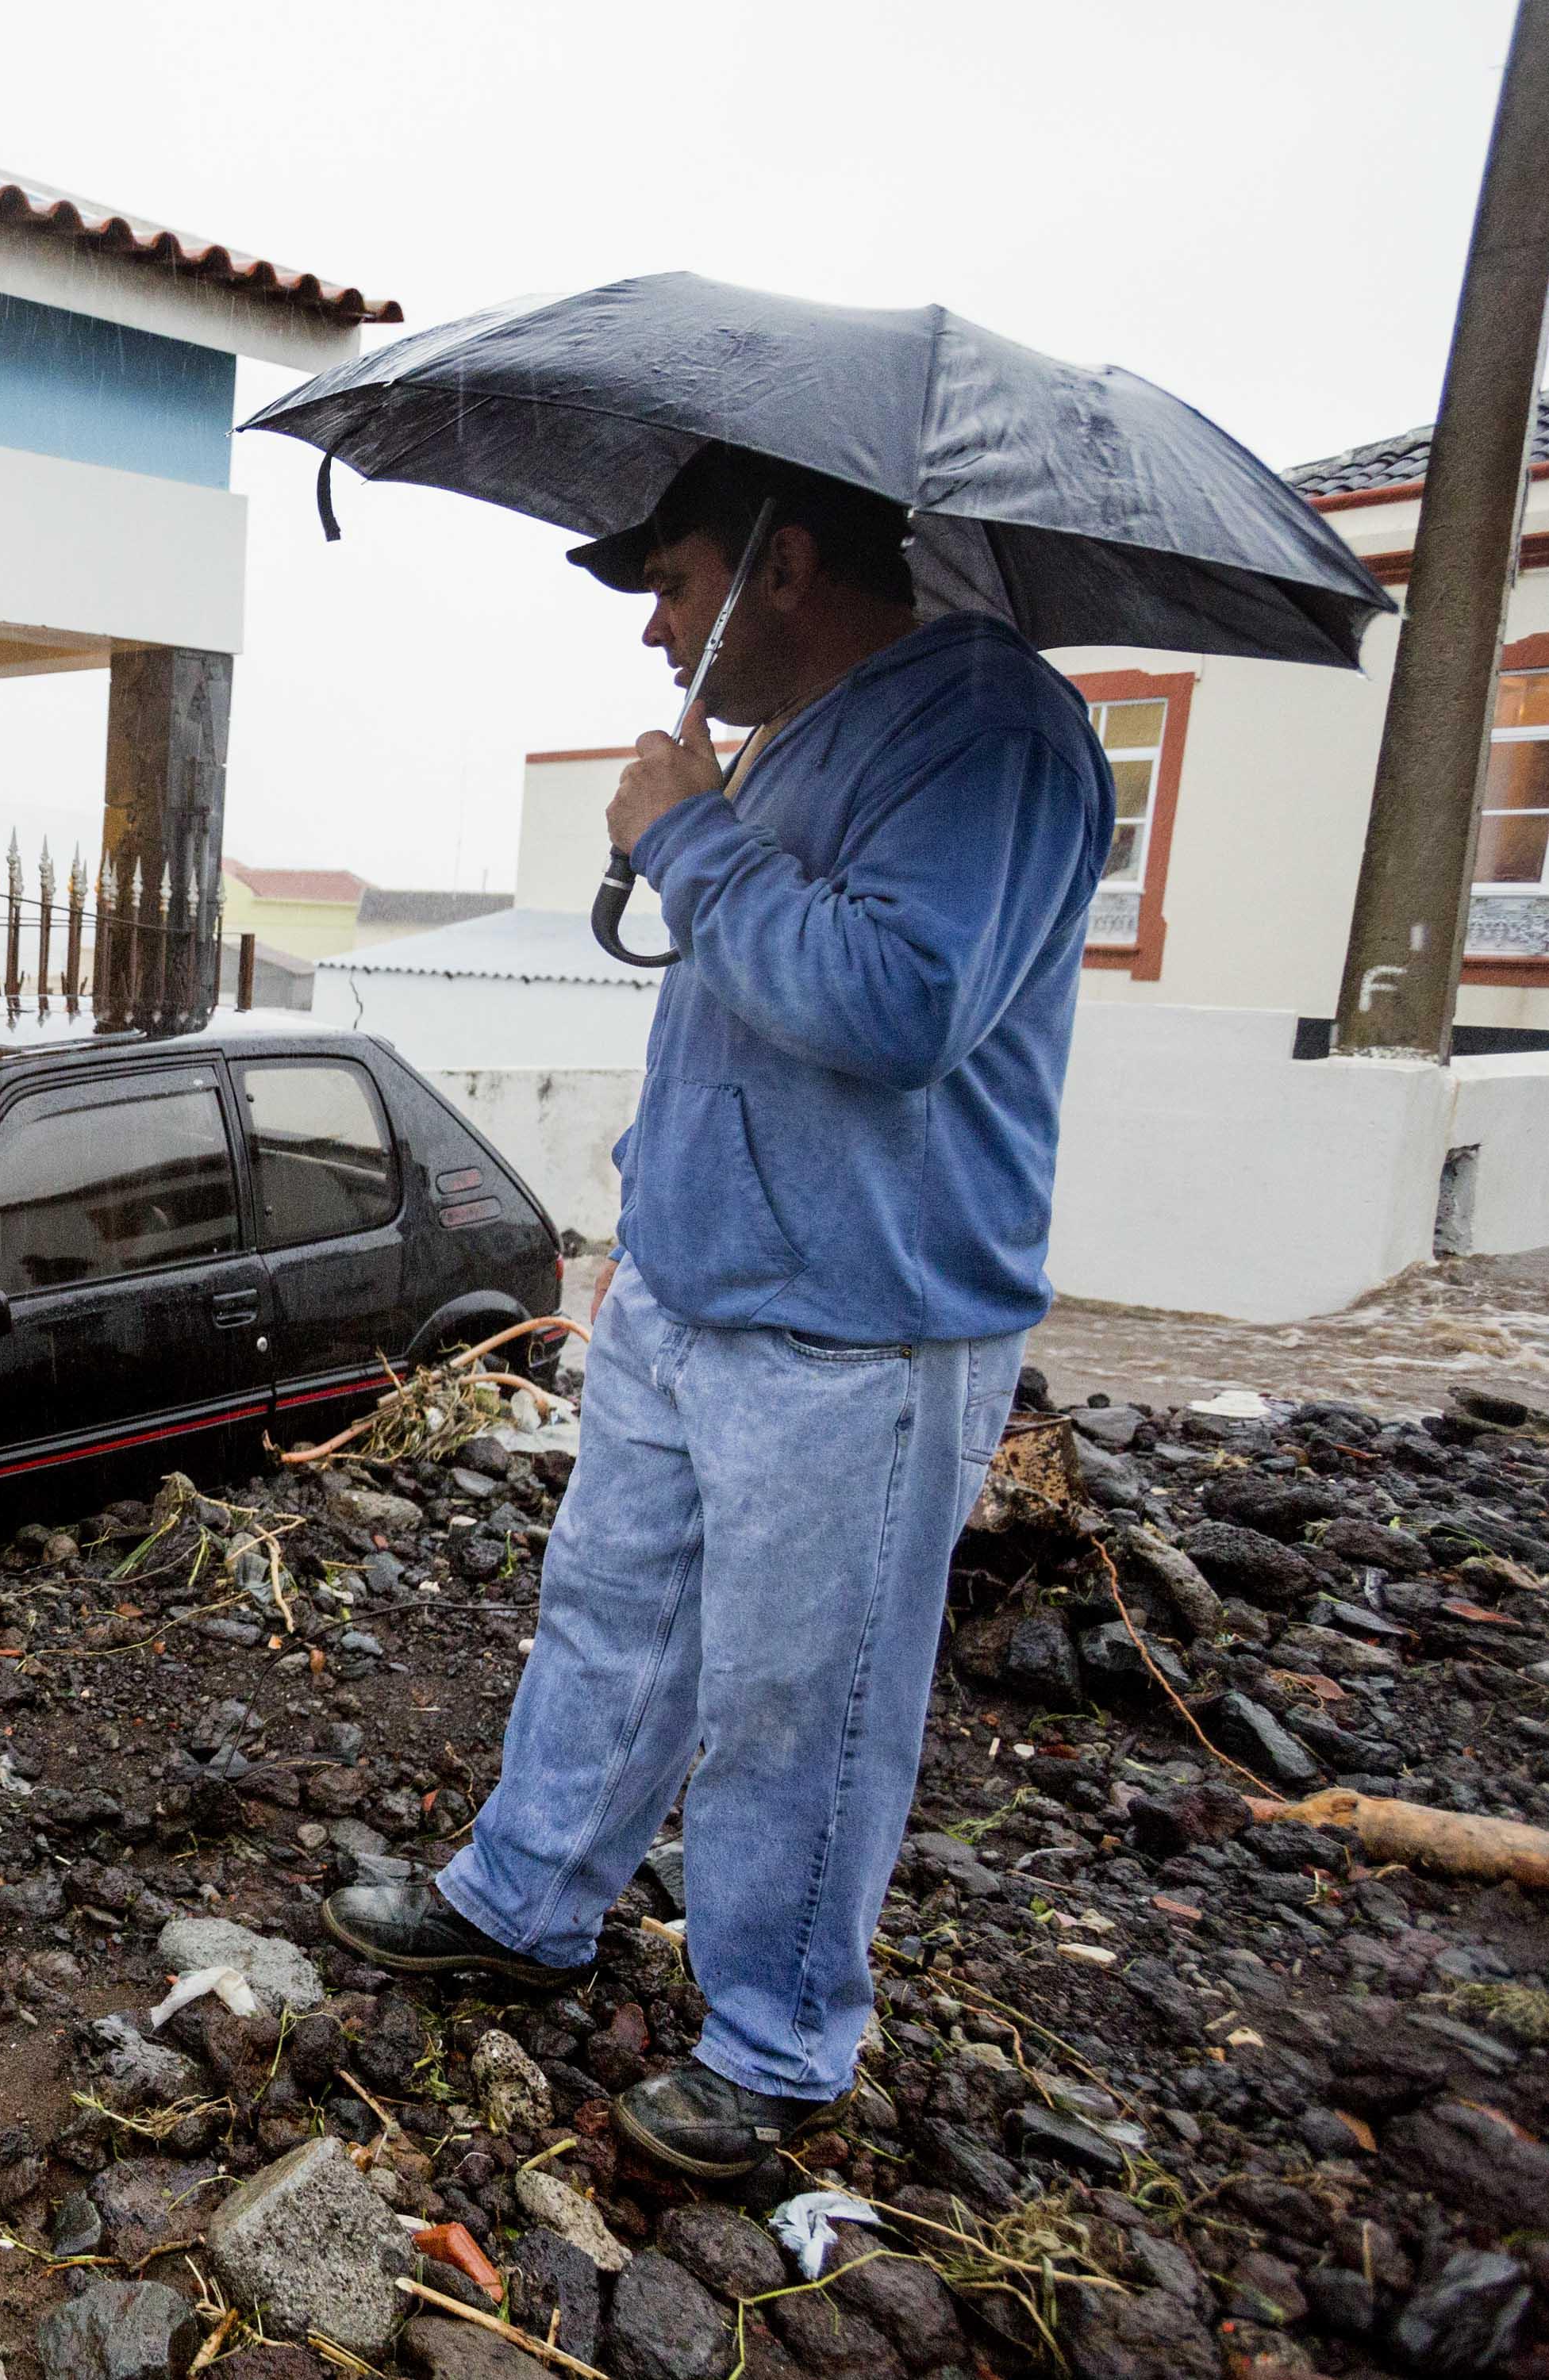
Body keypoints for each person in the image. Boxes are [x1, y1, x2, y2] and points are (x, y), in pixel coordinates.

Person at [322, 446, 1114, 2178]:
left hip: (858, 1325)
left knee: (799, 1698)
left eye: (674, 584)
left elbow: (901, 1004)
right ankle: (524, 1899)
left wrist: (682, 833)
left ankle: (777, 2042)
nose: (656, 629)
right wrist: (653, 1218)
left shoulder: (990, 731)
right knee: (611, 1616)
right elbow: (747, 1015)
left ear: (784, 564)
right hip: (696, 1293)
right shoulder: (805, 736)